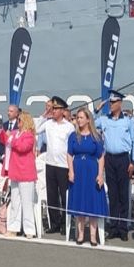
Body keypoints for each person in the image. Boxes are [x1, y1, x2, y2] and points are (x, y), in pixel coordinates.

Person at [95, 90, 134, 241]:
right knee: (112, 194)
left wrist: (133, 161)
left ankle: (123, 226)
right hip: (110, 159)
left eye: (113, 103)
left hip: (123, 159)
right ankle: (113, 226)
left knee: (123, 194)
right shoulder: (104, 120)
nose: (111, 105)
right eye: (110, 102)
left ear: (120, 103)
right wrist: (97, 110)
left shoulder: (128, 121)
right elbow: (91, 124)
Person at [66, 107, 107, 246]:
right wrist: (71, 171)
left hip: (91, 170)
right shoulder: (73, 136)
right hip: (78, 170)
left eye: (81, 117)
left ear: (88, 119)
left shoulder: (96, 136)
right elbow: (69, 154)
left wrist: (100, 175)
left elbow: (101, 157)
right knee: (80, 201)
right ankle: (81, 234)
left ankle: (93, 236)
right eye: (77, 118)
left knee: (92, 202)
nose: (78, 120)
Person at [37, 96, 74, 235]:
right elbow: (34, 129)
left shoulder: (69, 127)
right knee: (51, 195)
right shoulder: (48, 124)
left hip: (63, 165)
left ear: (62, 111)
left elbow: (72, 147)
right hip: (50, 164)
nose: (53, 111)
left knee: (64, 196)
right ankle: (55, 223)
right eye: (52, 108)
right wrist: (44, 115)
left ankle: (65, 223)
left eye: (56, 109)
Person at [0, 111, 38, 238]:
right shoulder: (15, 133)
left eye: (20, 120)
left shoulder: (29, 135)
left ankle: (29, 230)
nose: (18, 122)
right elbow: (6, 141)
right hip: (15, 172)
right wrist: (2, 134)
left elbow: (23, 148)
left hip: (26, 173)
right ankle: (13, 228)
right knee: (15, 202)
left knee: (27, 203)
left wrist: (12, 139)